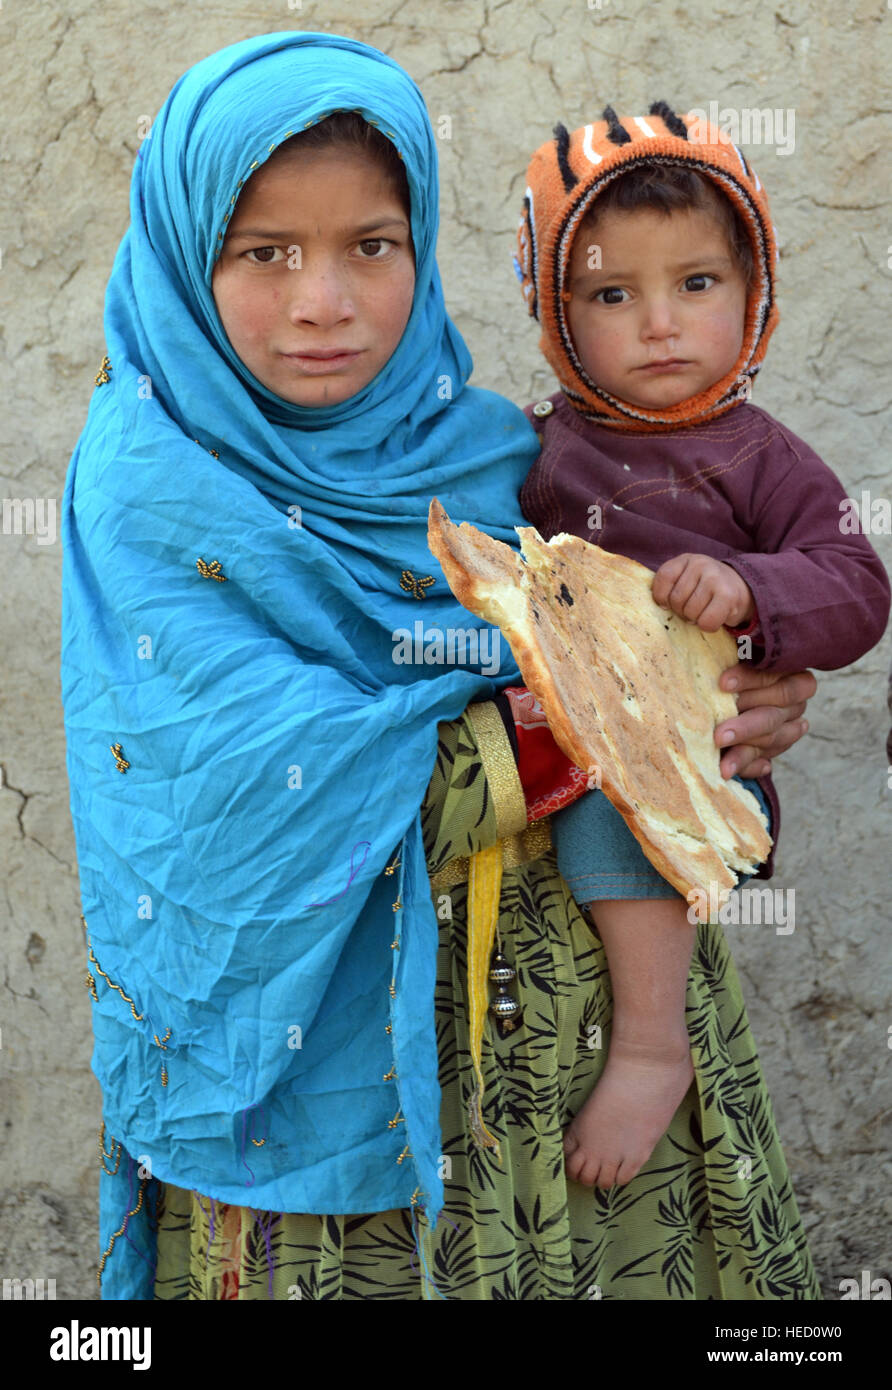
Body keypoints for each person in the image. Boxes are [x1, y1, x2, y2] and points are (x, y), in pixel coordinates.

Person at [60, 33, 821, 1301]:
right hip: (310, 1082)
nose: (325, 301)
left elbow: (633, 621)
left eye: (373, 244)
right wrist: (593, 722)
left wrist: (732, 688)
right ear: (186, 253)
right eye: (265, 252)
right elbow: (239, 785)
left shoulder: (480, 450)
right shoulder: (153, 489)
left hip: (566, 1065)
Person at [512, 106, 891, 1194]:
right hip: (565, 739)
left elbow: (858, 587)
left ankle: (647, 1045)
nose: (659, 323)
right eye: (611, 293)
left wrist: (749, 587)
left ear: (752, 291)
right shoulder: (542, 452)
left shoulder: (764, 458)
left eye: (696, 283)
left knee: (618, 793)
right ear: (557, 311)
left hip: (697, 765)